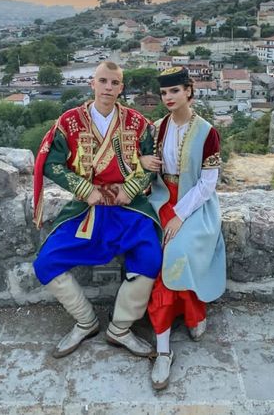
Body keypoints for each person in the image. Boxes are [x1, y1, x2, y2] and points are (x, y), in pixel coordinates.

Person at [32, 61, 162, 359]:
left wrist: (129, 190)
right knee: (46, 262)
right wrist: (84, 189)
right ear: (92, 83)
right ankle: (86, 321)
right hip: (86, 209)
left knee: (151, 258)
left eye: (114, 83)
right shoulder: (69, 122)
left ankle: (120, 328)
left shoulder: (138, 123)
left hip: (129, 208)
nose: (108, 88)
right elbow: (51, 163)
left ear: (121, 87)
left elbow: (151, 164)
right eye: (102, 81)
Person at [140, 66, 226, 390]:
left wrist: (179, 214)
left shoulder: (207, 132)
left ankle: (167, 344)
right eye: (164, 93)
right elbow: (145, 167)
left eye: (174, 91)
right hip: (161, 199)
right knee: (149, 251)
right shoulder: (157, 128)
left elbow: (208, 184)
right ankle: (187, 319)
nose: (168, 98)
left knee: (175, 251)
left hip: (194, 205)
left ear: (189, 91)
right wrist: (144, 165)